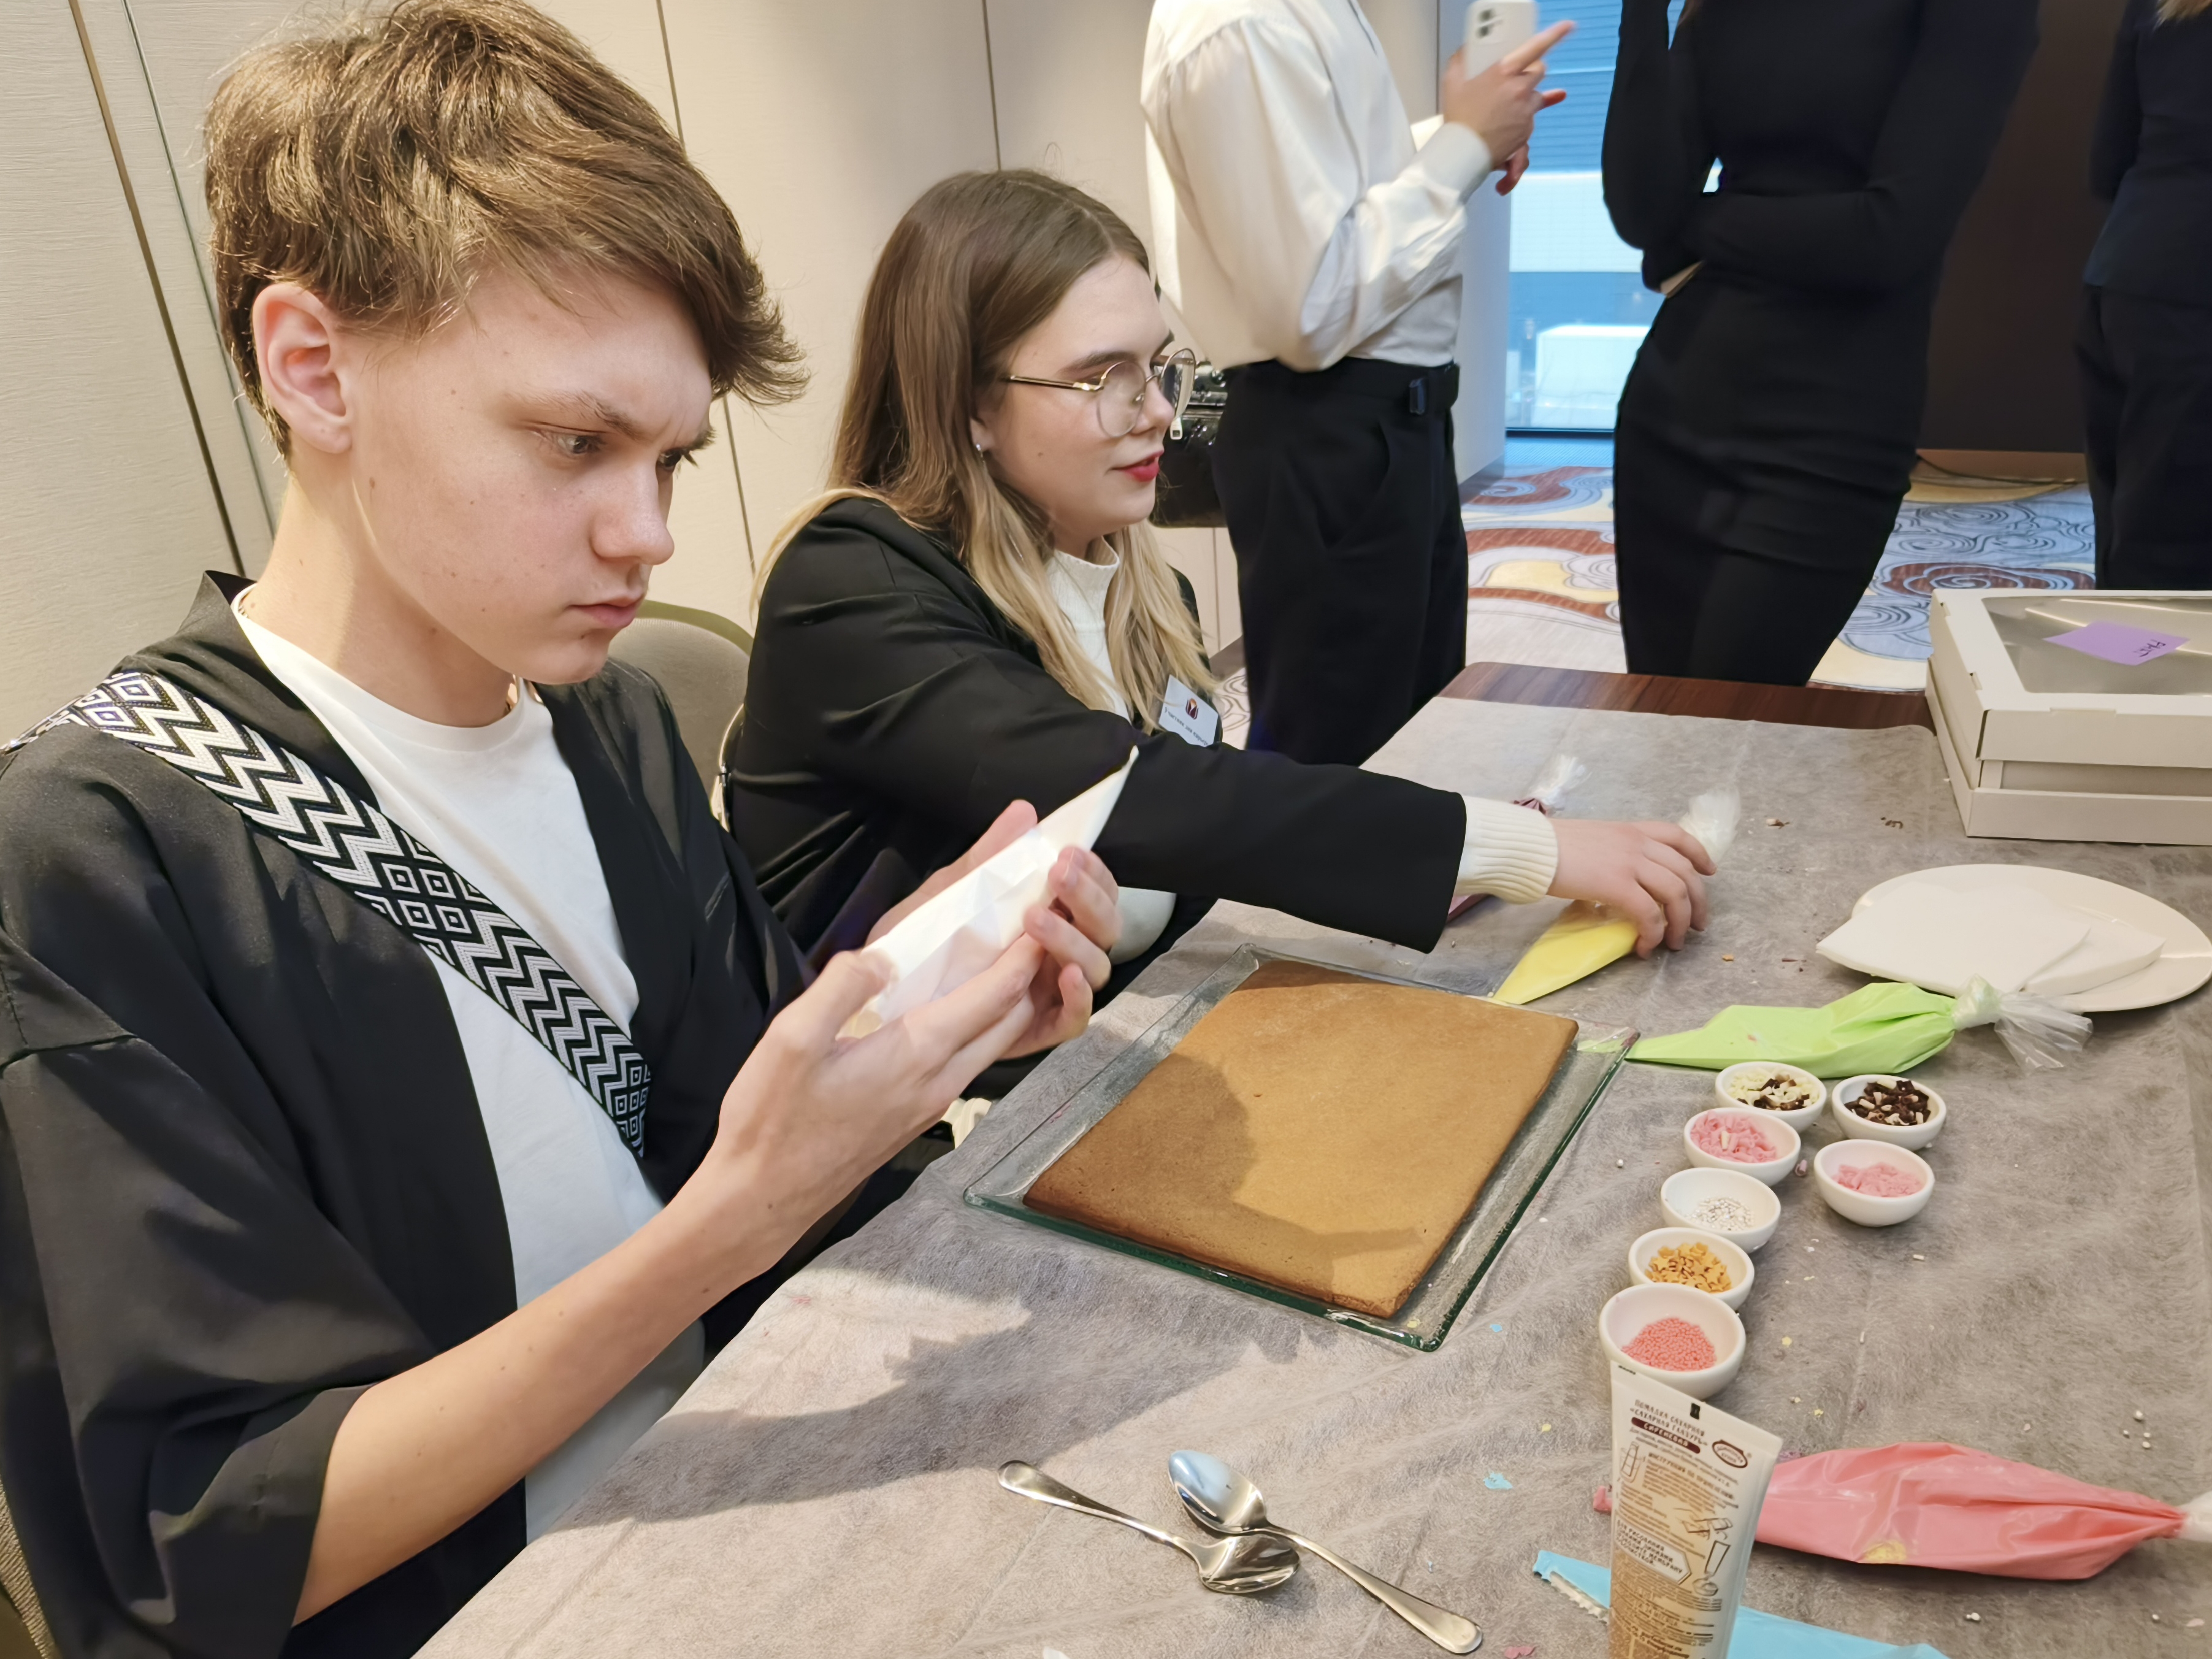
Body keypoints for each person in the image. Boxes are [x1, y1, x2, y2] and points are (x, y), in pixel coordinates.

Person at [0, 6, 1119, 1655]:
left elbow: (716, 1121)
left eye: (668, 456)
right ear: (312, 366)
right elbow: (223, 1542)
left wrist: (915, 1004)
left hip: (745, 1516)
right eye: (574, 443)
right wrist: (730, 1221)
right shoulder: (99, 855)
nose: (647, 532)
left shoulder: (611, 730)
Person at [727, 169, 1713, 1011]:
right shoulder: (849, 582)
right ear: (968, 404)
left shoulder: (1143, 594)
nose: (1159, 412)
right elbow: (1135, 793)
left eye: (1158, 367)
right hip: (896, 1115)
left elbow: (1188, 863)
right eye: (1102, 378)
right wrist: (1512, 846)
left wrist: (1401, 863)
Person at [1142, 0, 1573, 765]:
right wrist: (1464, 145)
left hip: (1379, 424)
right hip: (1330, 425)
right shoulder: (1244, 21)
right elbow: (1308, 306)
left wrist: (1464, 138)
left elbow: (1333, 205)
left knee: (1411, 739)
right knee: (1340, 761)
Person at [1603, 0, 2037, 684]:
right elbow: (1640, 210)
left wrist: (1694, 227)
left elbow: (1888, 237)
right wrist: (1641, 14)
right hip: (1672, 410)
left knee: (1733, 712)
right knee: (1659, 712)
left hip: (1827, 431)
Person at [2078, 0, 2212, 589]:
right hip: (2194, 300)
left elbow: (2106, 162)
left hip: (2126, 275)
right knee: (2174, 561)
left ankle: (2116, 645)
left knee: (2128, 530)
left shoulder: (2161, 6)